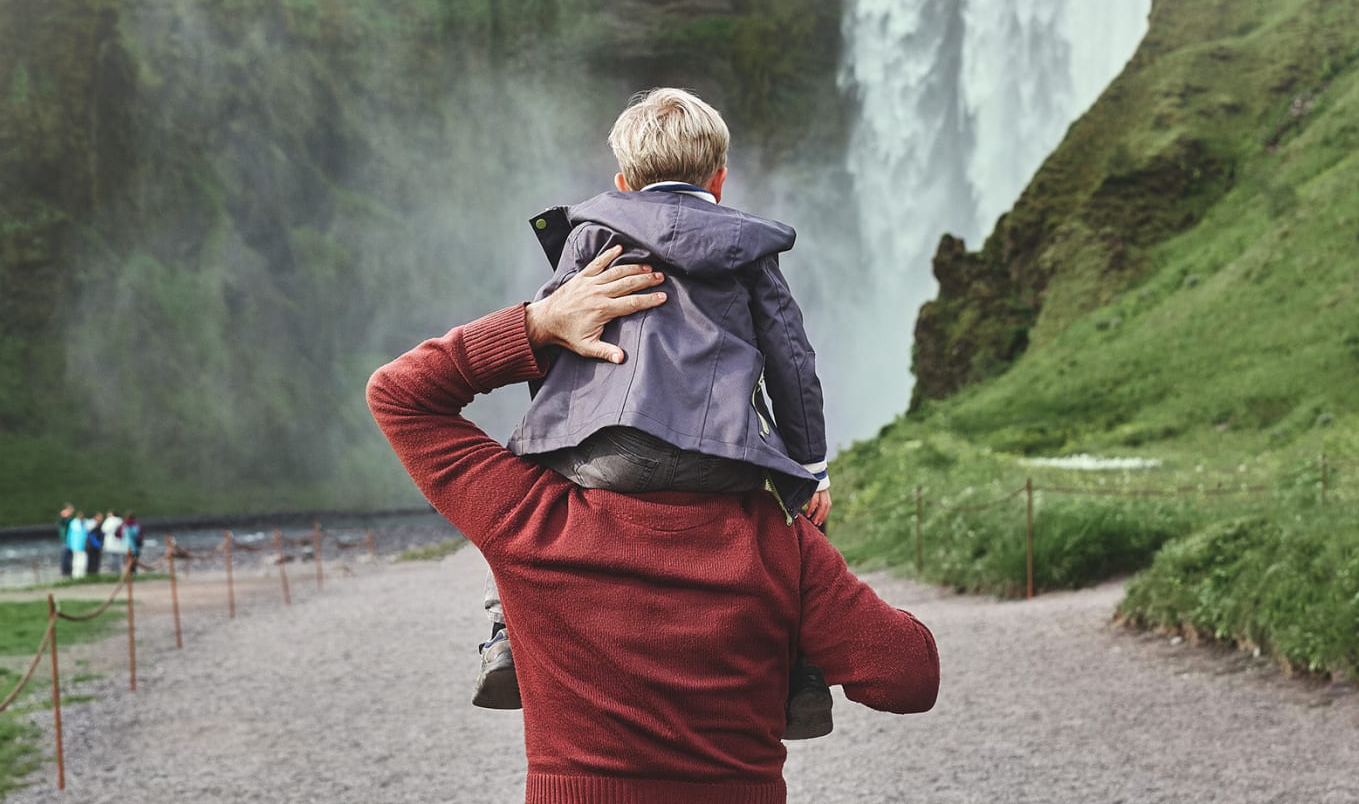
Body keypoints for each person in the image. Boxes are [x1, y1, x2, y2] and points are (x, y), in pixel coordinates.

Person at [366, 249, 938, 801]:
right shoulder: (780, 543)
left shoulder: (529, 519)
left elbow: (398, 395)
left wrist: (539, 323)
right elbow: (911, 676)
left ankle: (501, 642)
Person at [477, 87, 838, 736]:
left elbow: (557, 333)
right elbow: (791, 356)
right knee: (801, 528)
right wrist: (811, 466)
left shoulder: (591, 234)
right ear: (720, 179)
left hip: (606, 453)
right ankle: (801, 670)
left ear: (622, 182)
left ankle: (507, 635)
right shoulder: (749, 247)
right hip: (723, 455)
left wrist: (558, 433)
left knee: (517, 506)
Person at [67, 508, 89, 578]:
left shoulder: (74, 523)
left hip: (75, 545)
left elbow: (69, 535)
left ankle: (77, 575)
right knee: (80, 560)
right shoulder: (78, 524)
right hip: (79, 545)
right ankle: (79, 575)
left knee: (77, 559)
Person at [57, 504, 76, 577]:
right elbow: (64, 522)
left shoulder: (70, 520)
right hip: (66, 541)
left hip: (70, 541)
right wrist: (64, 516)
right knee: (65, 557)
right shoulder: (65, 520)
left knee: (69, 557)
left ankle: (68, 572)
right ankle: (66, 572)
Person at [85, 512, 105, 576]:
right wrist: (98, 545)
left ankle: (94, 573)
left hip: (94, 546)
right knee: (92, 561)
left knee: (96, 560)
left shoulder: (98, 525)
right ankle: (91, 573)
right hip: (92, 546)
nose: (101, 519)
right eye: (100, 517)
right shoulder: (92, 525)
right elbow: (92, 537)